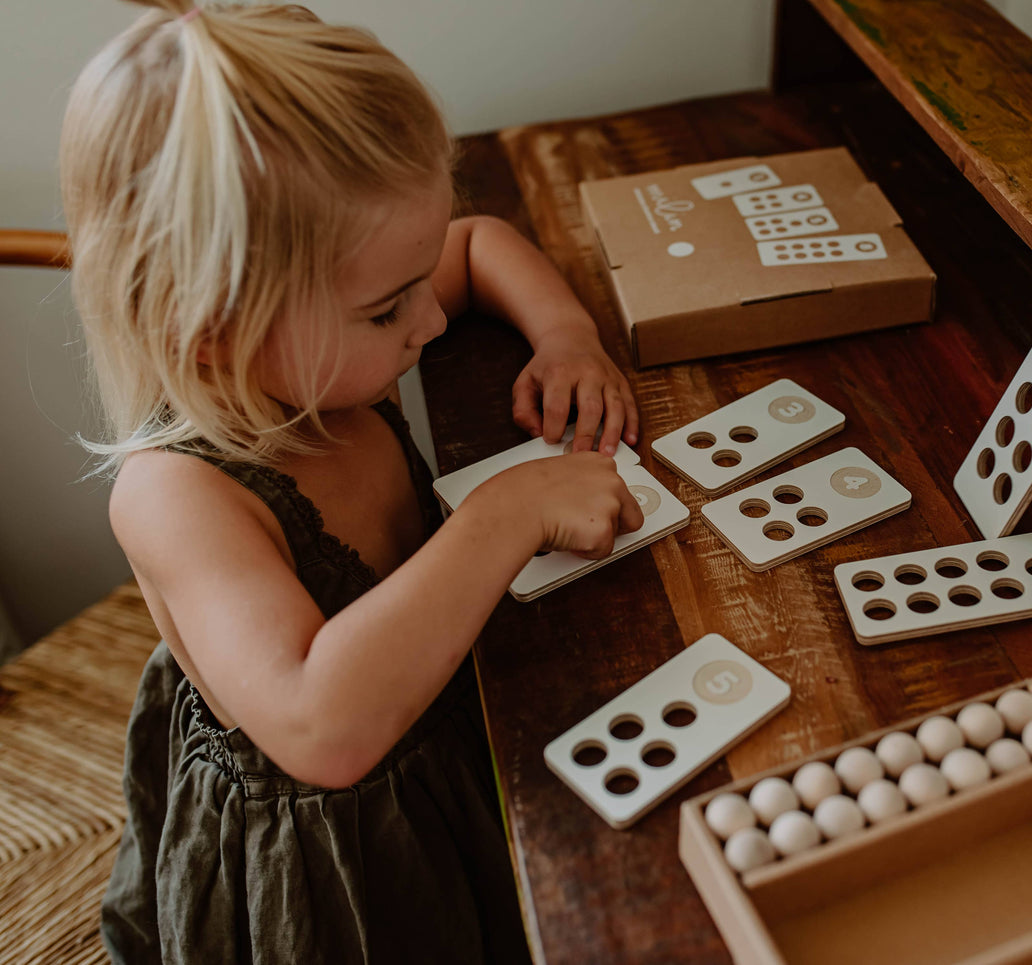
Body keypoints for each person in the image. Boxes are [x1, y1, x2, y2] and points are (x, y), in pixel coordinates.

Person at [60, 2, 644, 960]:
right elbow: (321, 727)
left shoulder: (320, 341)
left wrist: (565, 336)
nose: (432, 321)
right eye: (388, 310)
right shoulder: (176, 494)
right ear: (214, 332)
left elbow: (476, 242)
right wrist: (503, 513)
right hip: (344, 876)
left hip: (454, 756)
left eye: (415, 284)